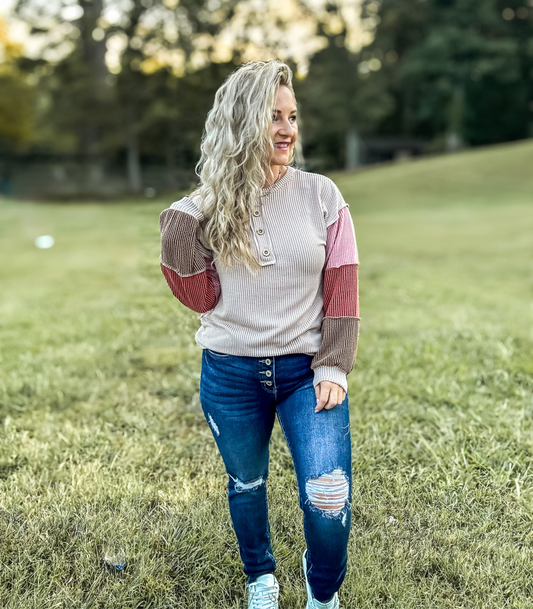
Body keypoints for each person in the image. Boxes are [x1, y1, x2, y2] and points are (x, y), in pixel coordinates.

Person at [159, 60, 360, 609]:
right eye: (273, 116)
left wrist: (334, 364)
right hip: (230, 372)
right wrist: (182, 232)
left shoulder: (321, 195)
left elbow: (342, 287)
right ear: (240, 122)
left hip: (306, 370)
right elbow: (201, 299)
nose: (288, 129)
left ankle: (322, 591)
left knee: (328, 496)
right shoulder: (203, 208)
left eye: (292, 116)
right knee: (247, 485)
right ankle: (260, 576)